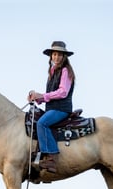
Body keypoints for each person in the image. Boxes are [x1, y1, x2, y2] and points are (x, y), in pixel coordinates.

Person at [27, 41, 76, 173]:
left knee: (42, 123)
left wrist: (42, 95)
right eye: (54, 54)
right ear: (51, 56)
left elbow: (63, 92)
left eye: (59, 55)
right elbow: (51, 95)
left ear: (64, 57)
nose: (56, 57)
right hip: (52, 108)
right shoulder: (52, 72)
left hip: (61, 109)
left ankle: (51, 158)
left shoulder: (65, 71)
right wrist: (38, 98)